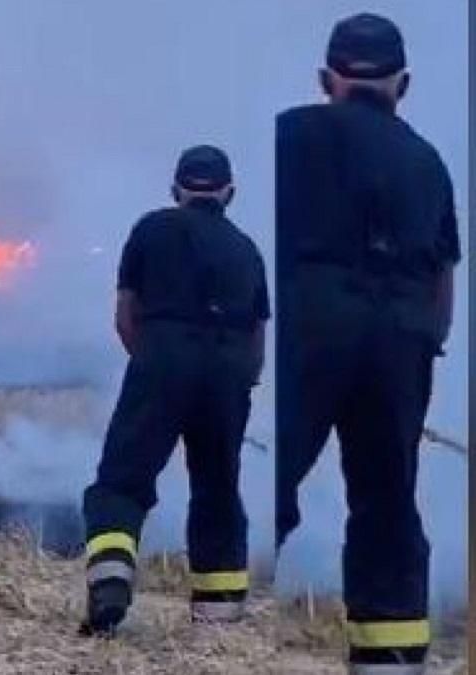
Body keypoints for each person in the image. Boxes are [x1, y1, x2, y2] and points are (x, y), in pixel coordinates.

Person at [275, 14, 459, 674]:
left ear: (327, 79)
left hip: (315, 328)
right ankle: (389, 656)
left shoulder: (292, 136)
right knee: (386, 499)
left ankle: (220, 577)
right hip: (401, 339)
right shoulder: (429, 162)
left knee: (271, 470)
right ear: (402, 84)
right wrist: (418, 357)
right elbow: (443, 279)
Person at [80, 145, 269, 636]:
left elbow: (126, 314)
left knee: (123, 479)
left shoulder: (151, 229)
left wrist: (153, 363)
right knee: (218, 490)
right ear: (229, 192)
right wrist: (236, 388)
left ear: (176, 188)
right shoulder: (247, 249)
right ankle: (219, 621)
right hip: (228, 373)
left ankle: (111, 586)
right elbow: (257, 341)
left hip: (163, 358)